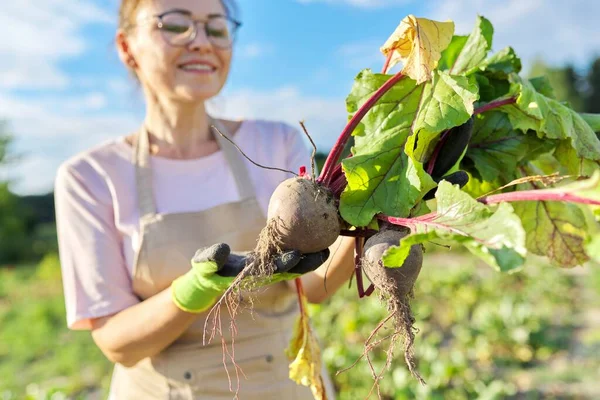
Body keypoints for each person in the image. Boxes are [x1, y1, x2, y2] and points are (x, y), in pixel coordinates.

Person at [54, 0, 356, 398]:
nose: (200, 42)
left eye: (216, 28)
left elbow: (315, 286)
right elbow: (117, 343)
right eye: (175, 25)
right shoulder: (89, 177)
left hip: (287, 385)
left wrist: (374, 213)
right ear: (127, 46)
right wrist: (190, 291)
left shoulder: (276, 142)